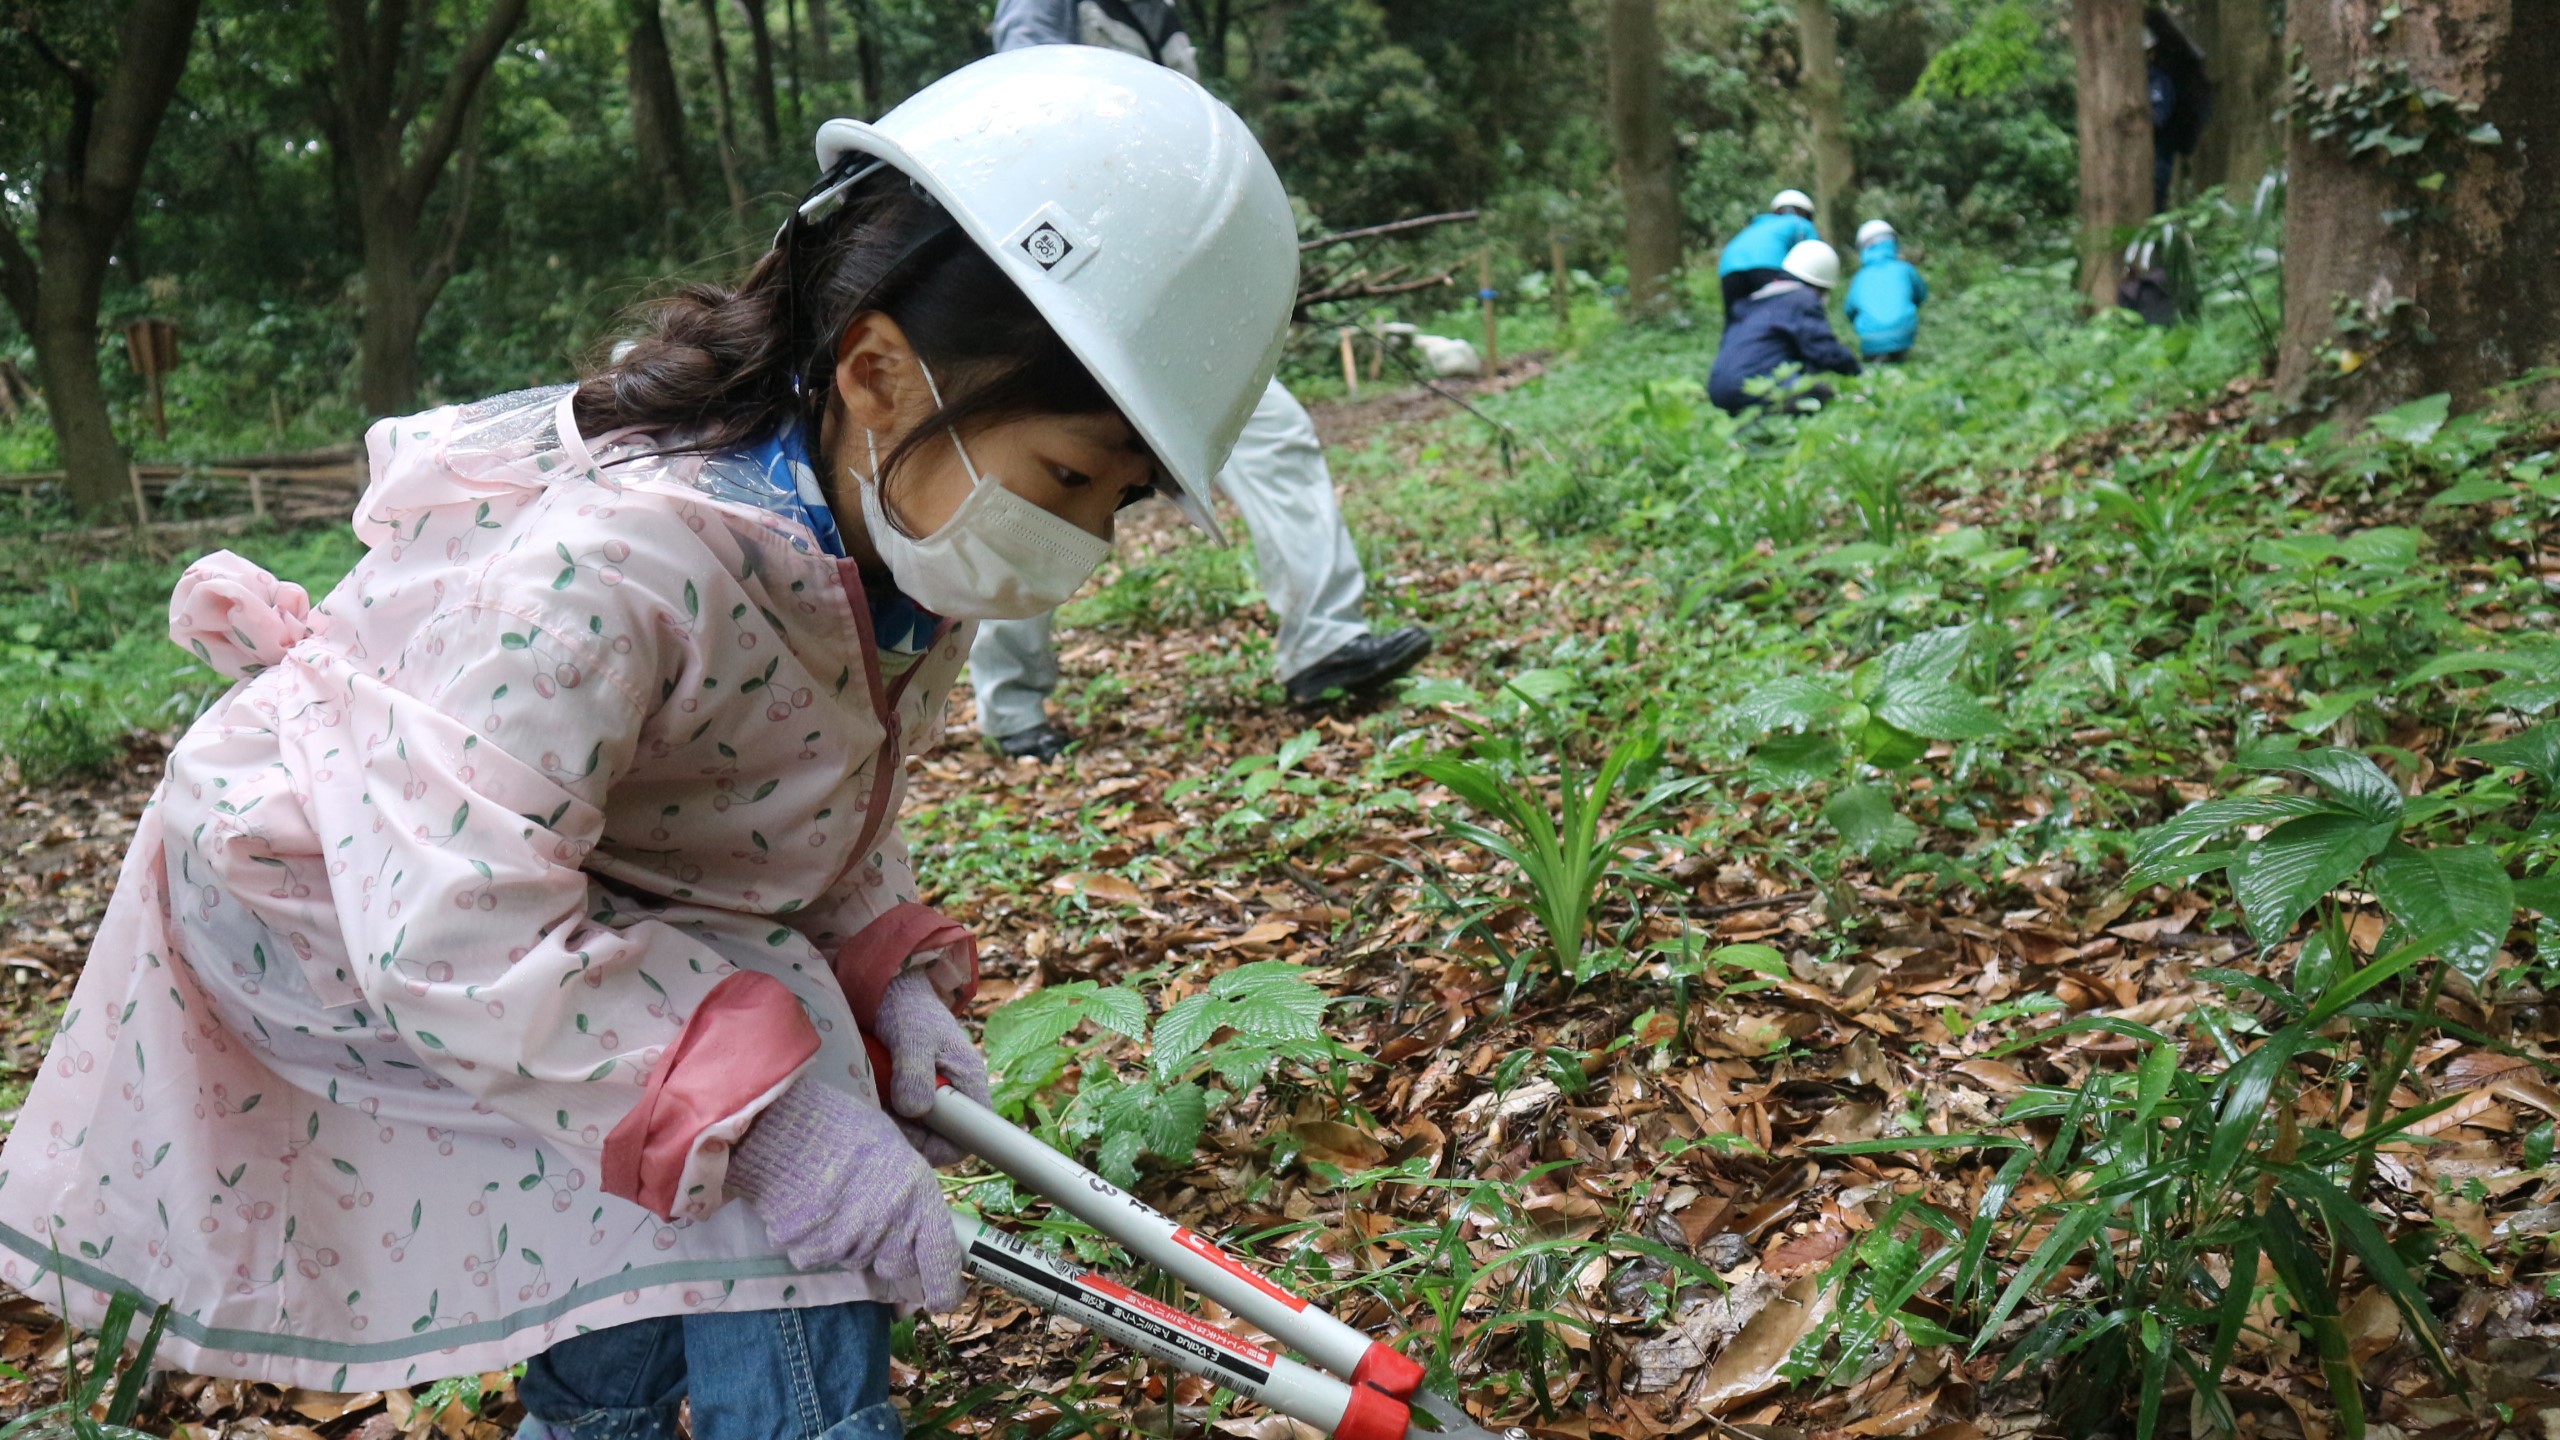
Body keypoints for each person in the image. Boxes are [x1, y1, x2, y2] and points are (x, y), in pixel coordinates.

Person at [0, 48, 1300, 1440]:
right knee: (756, 1170)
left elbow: (801, 806)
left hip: (550, 882)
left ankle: (596, 1411)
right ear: (876, 372)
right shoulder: (618, 571)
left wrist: (884, 974)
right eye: (1067, 477)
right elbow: (459, 928)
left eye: (1118, 501)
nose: (1083, 538)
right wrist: (783, 1119)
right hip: (341, 900)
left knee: (736, 1081)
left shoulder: (899, 547)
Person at [973, 0, 1433, 762]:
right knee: (1039, 484)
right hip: (1062, 292)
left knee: (1275, 430)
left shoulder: (1167, 20)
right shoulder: (1045, 7)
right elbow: (1020, 107)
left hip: (1168, 296)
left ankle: (1325, 645)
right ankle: (1012, 706)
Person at [1708, 239, 1861, 417]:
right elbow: (1824, 352)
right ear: (1821, 285)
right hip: (1753, 388)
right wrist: (1857, 371)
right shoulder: (1802, 299)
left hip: (1721, 390)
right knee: (1820, 394)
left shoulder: (1757, 299)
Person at [1716, 190, 1819, 322]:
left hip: (1729, 267)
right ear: (1806, 213)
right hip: (1768, 267)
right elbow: (1815, 255)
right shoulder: (1801, 223)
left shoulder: (1756, 225)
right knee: (1777, 317)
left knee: (1737, 322)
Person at [1843, 219, 1928, 363]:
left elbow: (1849, 310)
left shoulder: (1860, 277)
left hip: (1870, 339)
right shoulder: (1905, 269)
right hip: (1904, 334)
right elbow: (1921, 294)